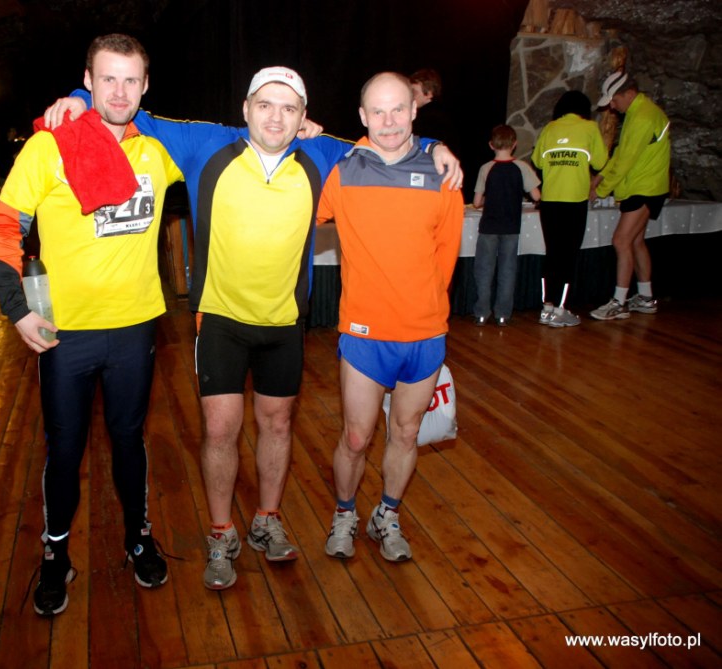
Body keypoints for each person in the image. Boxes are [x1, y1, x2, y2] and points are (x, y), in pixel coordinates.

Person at [44, 66, 463, 590]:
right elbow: (130, 110)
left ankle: (267, 520)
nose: (276, 117)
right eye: (265, 105)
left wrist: (436, 146)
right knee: (221, 430)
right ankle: (221, 533)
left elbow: (387, 141)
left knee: (278, 426)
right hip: (220, 321)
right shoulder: (207, 145)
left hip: (284, 324)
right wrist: (80, 97)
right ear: (245, 108)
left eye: (289, 108)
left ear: (304, 117)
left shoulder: (322, 155)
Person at [0, 34, 182, 617]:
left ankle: (138, 538)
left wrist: (303, 131)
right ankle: (55, 554)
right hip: (64, 335)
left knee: (128, 439)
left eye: (131, 80)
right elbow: (4, 227)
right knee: (65, 448)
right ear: (88, 82)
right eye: (108, 79)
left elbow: (239, 143)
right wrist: (17, 309)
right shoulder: (50, 145)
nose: (119, 91)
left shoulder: (158, 151)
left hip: (135, 329)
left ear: (145, 86)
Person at [316, 72, 463, 563]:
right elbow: (297, 214)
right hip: (364, 333)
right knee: (356, 437)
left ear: (415, 109)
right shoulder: (344, 170)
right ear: (362, 117)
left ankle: (387, 514)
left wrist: (424, 310)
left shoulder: (443, 174)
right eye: (377, 111)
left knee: (405, 433)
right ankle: (344, 513)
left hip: (424, 334)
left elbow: (446, 258)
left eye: (398, 108)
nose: (389, 121)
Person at [589, 72, 671, 321]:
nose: (612, 107)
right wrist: (599, 178)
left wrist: (600, 191)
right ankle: (645, 298)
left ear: (629, 93)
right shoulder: (639, 113)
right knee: (635, 242)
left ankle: (618, 302)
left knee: (620, 241)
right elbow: (619, 154)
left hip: (643, 188)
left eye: (614, 100)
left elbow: (625, 161)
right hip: (645, 187)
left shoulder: (643, 117)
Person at [531, 91, 608, 327]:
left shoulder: (550, 128)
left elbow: (538, 161)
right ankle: (560, 310)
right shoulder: (590, 128)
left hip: (550, 201)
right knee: (568, 255)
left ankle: (546, 308)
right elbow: (600, 162)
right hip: (574, 200)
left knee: (553, 253)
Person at [471, 124, 540, 326]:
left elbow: (476, 202)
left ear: (491, 145)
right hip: (511, 227)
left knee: (484, 271)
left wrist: (490, 198)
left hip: (488, 228)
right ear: (514, 144)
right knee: (508, 271)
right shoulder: (522, 167)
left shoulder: (486, 168)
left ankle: (482, 312)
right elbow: (537, 195)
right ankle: (502, 314)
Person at [410, 68, 460, 156]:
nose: (411, 96)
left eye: (414, 92)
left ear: (429, 94)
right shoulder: (442, 114)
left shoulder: (431, 119)